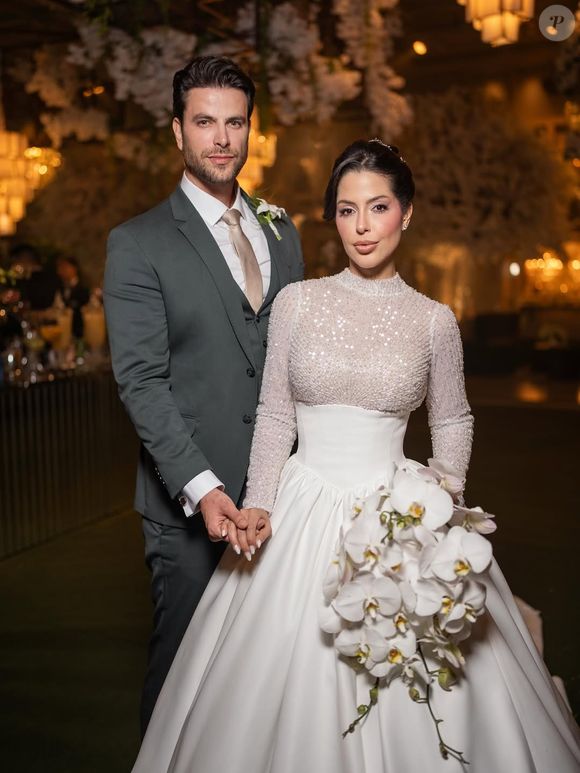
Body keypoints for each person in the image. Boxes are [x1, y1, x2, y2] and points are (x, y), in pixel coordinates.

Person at [131, 140, 580, 772]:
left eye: (377, 207)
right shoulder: (298, 303)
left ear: (407, 213)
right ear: (332, 217)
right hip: (300, 507)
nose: (362, 227)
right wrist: (258, 501)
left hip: (399, 514)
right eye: (346, 211)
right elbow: (276, 416)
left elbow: (452, 417)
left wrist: (440, 501)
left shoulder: (433, 321)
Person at [103, 56, 304, 734]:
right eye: (204, 122)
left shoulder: (283, 230)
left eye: (235, 123)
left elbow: (290, 362)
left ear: (251, 131)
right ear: (177, 132)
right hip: (189, 508)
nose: (221, 138)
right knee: (184, 682)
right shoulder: (137, 244)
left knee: (274, 675)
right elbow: (141, 380)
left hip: (282, 500)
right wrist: (203, 486)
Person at [55, 256, 90, 339]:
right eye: (60, 267)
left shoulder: (84, 288)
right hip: (62, 333)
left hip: (81, 334)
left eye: (65, 267)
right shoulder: (58, 288)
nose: (61, 270)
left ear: (74, 268)